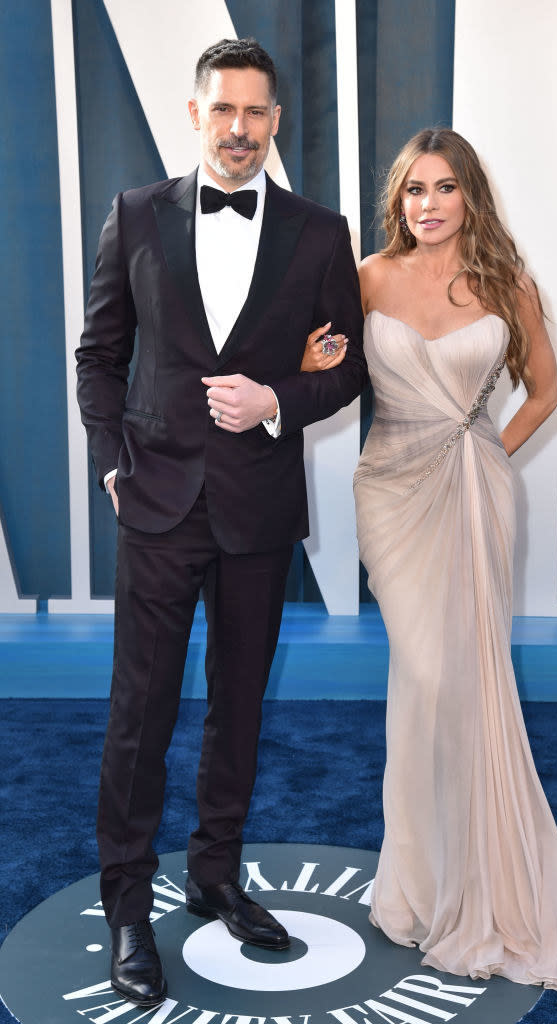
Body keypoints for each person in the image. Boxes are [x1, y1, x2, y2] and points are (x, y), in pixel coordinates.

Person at [75, 37, 366, 1008]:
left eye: (256, 112)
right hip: (154, 501)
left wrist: (276, 399)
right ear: (196, 115)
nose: (239, 129)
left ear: (274, 121)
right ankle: (125, 901)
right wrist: (114, 464)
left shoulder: (321, 233)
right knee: (138, 715)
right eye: (223, 111)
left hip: (256, 507)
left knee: (238, 709)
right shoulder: (134, 215)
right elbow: (98, 355)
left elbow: (345, 369)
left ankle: (215, 873)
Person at [348, 128, 557, 992]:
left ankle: (479, 887)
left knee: (467, 680)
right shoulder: (369, 277)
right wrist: (310, 361)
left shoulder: (506, 283)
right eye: (413, 190)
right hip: (391, 494)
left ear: (469, 197)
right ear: (398, 201)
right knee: (423, 680)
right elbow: (336, 375)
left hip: (472, 491)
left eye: (443, 188)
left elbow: (545, 386)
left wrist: (487, 444)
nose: (427, 204)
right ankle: (419, 886)